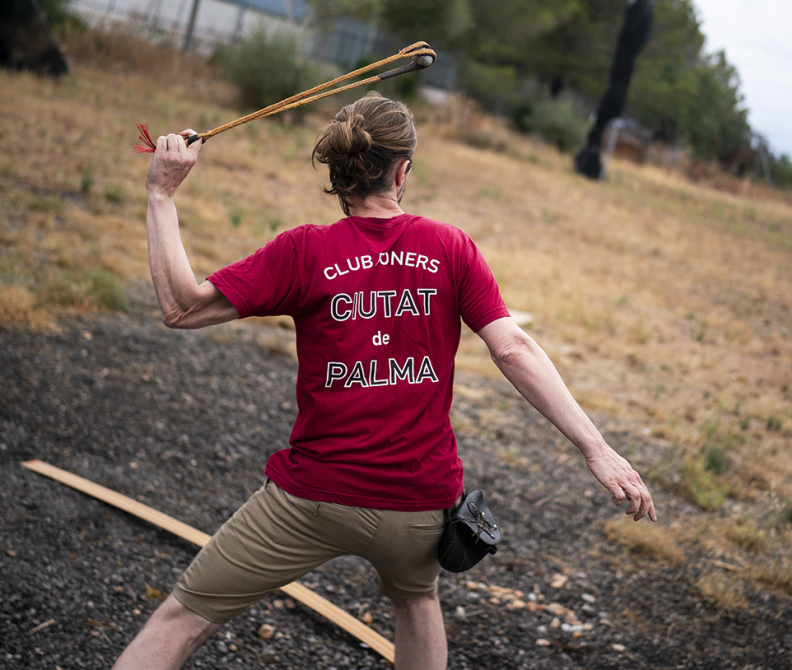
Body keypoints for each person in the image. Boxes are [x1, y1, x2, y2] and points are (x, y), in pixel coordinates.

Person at [113, 92, 657, 670]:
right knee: (417, 600)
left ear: (339, 172)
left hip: (311, 497)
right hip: (418, 508)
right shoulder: (451, 247)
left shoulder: (303, 251)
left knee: (182, 620)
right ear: (402, 172)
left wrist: (161, 193)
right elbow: (514, 348)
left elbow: (181, 308)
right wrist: (595, 449)